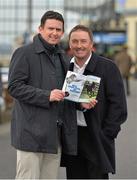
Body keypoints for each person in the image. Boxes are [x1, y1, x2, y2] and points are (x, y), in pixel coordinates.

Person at [8, 10, 78, 179]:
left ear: (63, 32)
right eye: (50, 28)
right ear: (40, 29)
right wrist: (47, 95)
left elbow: (66, 92)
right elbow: (14, 87)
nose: (54, 33)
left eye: (58, 30)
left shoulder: (63, 57)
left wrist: (80, 102)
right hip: (30, 134)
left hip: (54, 135)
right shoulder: (24, 53)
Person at [61, 25, 127, 179]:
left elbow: (119, 107)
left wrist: (107, 134)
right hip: (73, 138)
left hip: (97, 137)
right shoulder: (65, 68)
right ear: (70, 44)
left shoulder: (108, 67)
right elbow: (64, 99)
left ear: (91, 44)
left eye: (83, 41)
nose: (79, 45)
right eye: (75, 41)